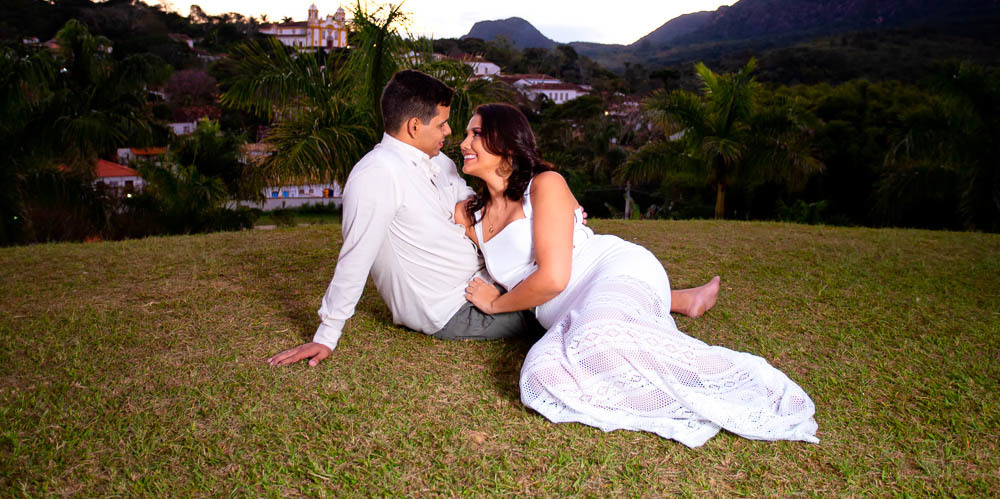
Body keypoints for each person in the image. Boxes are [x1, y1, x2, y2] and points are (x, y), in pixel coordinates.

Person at [268, 71, 720, 368]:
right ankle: (671, 299)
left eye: (464, 130)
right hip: (456, 308)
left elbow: (484, 201)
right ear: (412, 127)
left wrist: (557, 208)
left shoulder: (442, 166)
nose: (452, 135)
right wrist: (327, 334)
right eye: (445, 125)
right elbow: (355, 256)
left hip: (498, 284)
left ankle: (669, 297)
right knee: (574, 320)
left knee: (575, 290)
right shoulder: (374, 177)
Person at [456, 103, 819, 448]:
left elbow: (553, 279)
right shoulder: (471, 216)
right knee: (541, 376)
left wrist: (496, 304)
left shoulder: (544, 184)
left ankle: (732, 380)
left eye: (475, 134)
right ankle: (680, 301)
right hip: (567, 311)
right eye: (465, 134)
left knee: (600, 338)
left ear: (505, 143)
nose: (463, 143)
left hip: (611, 269)